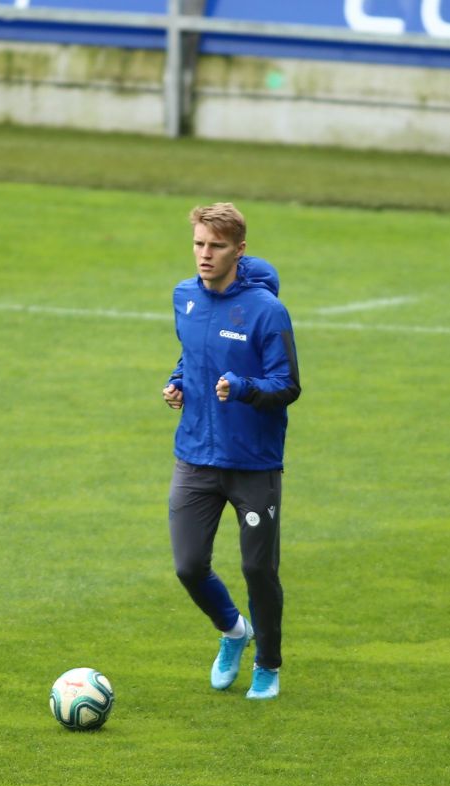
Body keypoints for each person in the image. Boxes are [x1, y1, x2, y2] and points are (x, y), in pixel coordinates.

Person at [161, 203, 301, 700]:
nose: (205, 254)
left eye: (216, 246)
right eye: (199, 244)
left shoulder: (267, 311)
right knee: (188, 565)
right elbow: (192, 353)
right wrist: (177, 383)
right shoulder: (184, 297)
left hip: (253, 463)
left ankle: (268, 663)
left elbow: (287, 385)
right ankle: (234, 631)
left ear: (239, 250)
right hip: (195, 455)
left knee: (258, 569)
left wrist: (241, 387)